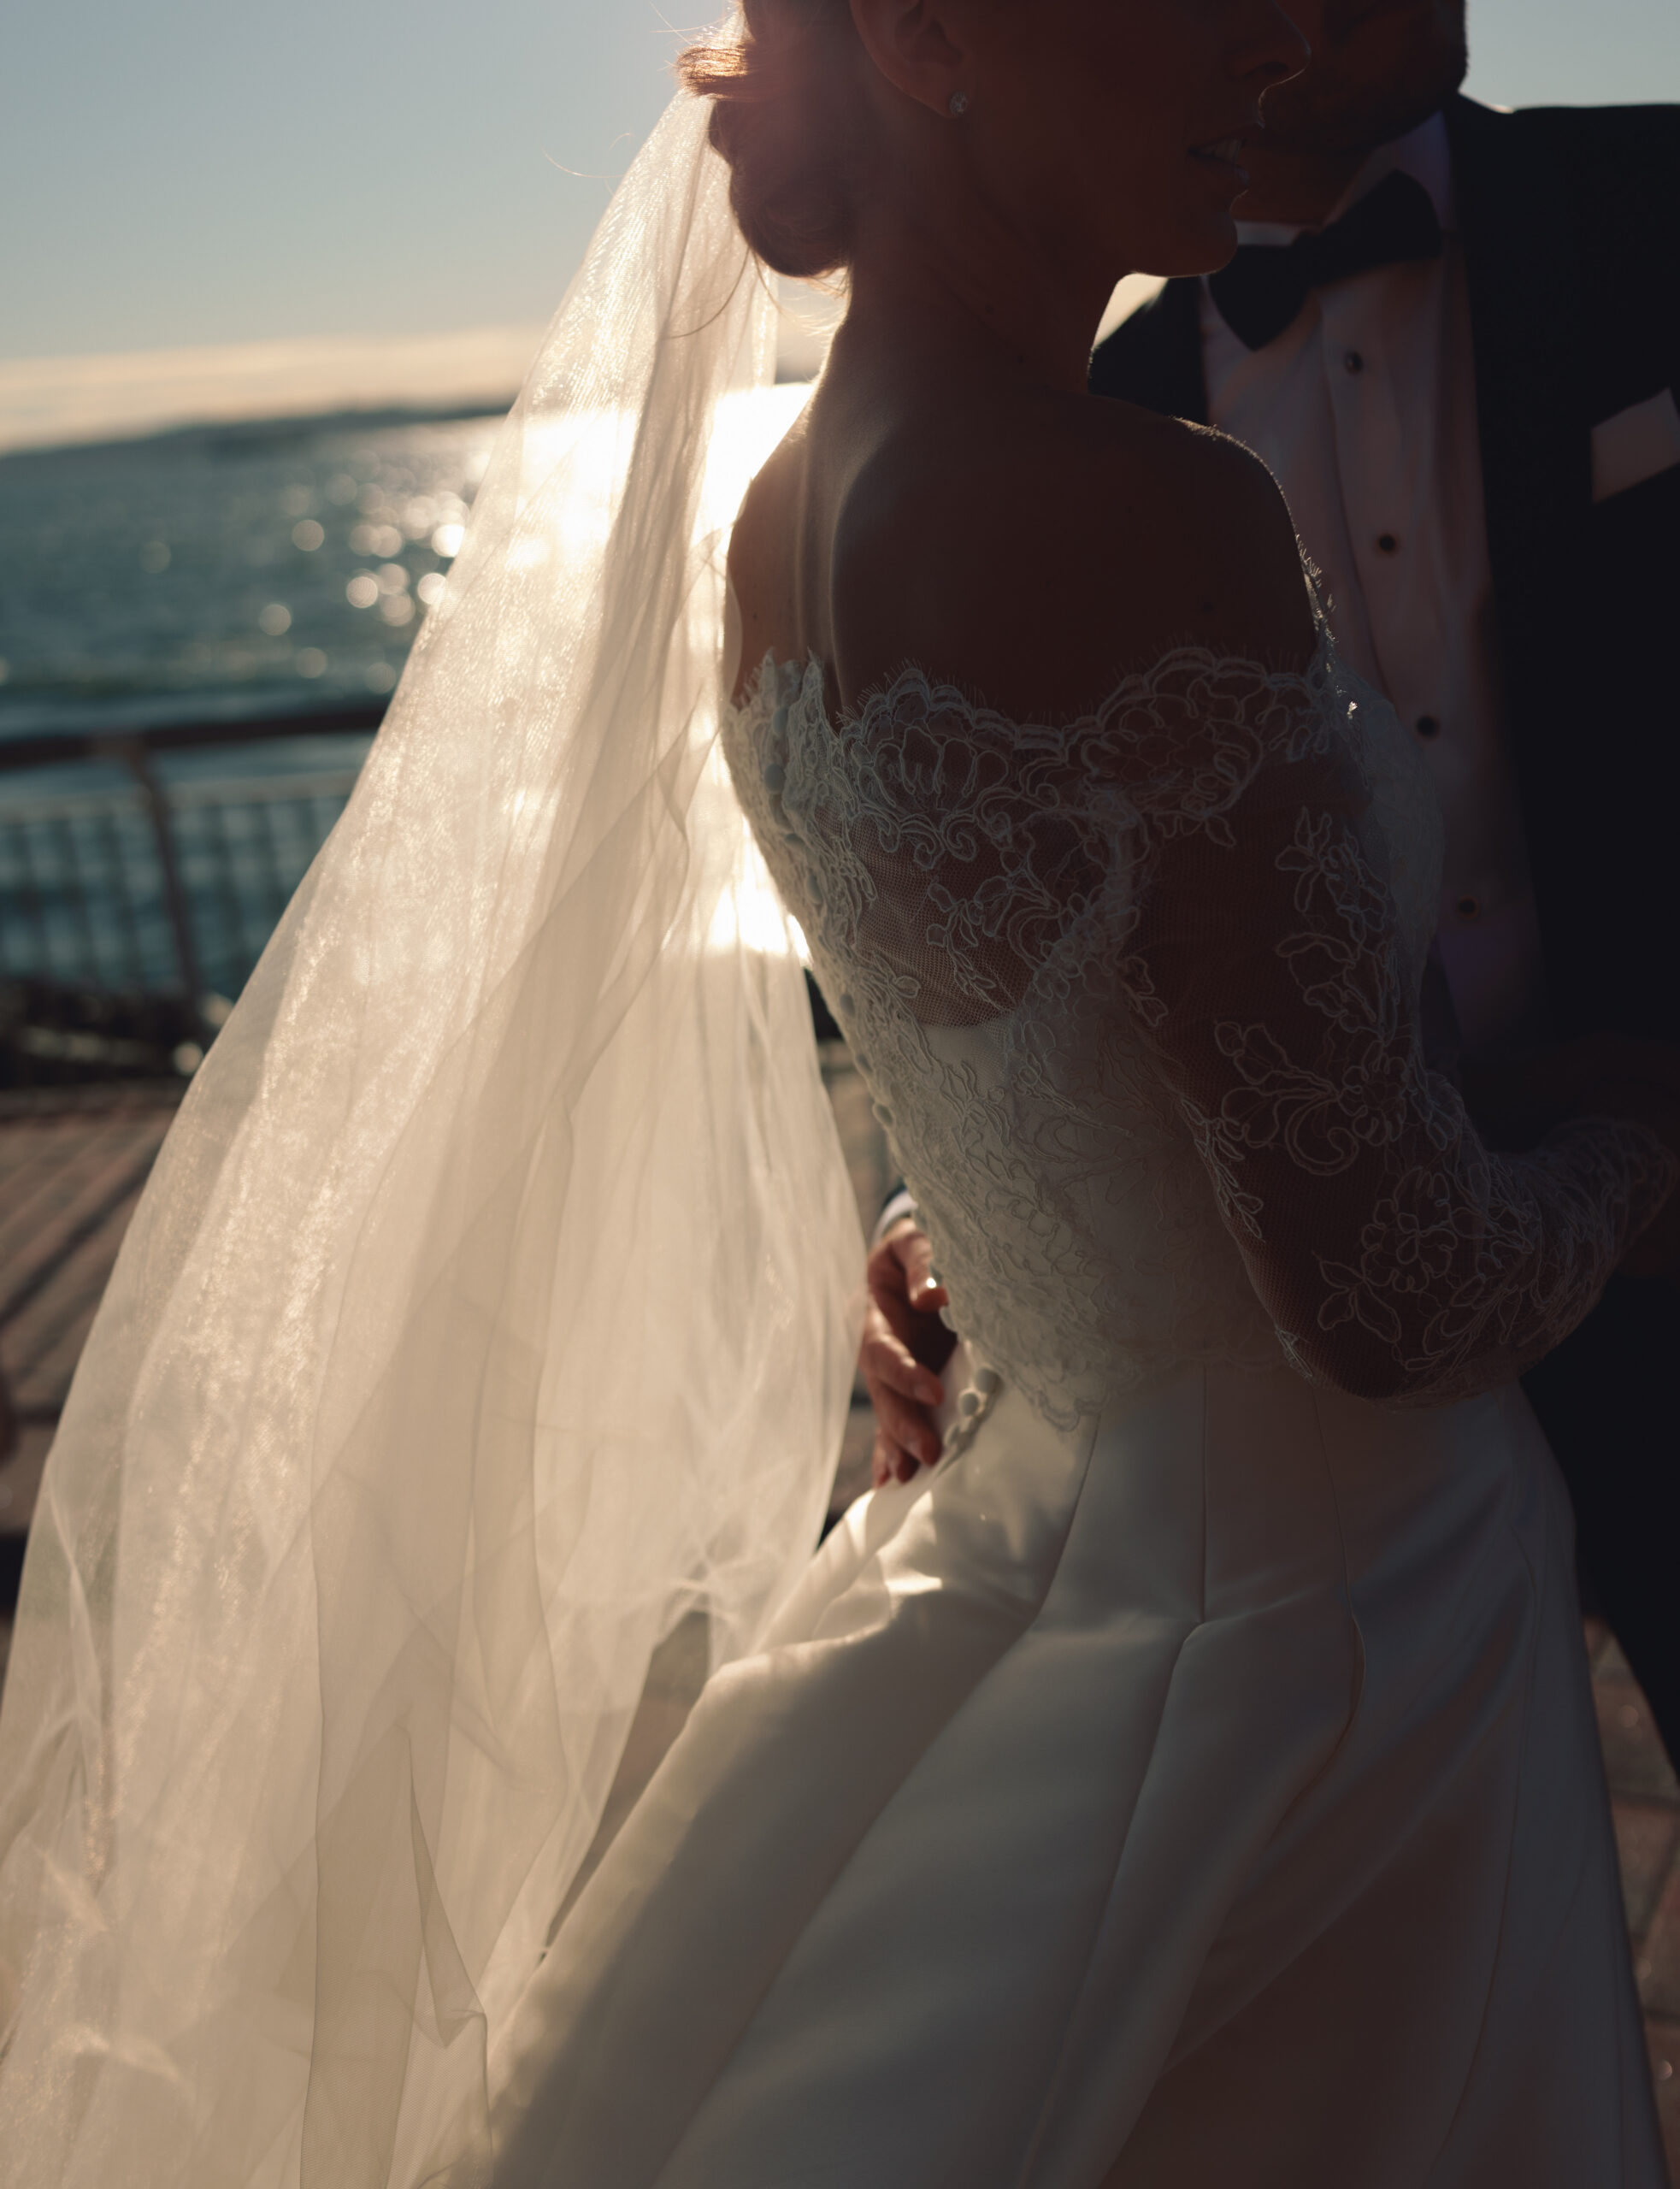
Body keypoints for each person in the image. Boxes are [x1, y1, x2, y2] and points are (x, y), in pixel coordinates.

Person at [1, 3, 1676, 2184]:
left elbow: (1023, 996)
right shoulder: (1143, 489)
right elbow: (1376, 1287)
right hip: (1339, 1606)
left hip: (1065, 1516)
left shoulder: (778, 516)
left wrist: (967, 1215)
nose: (1246, 56)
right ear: (932, 36)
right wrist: (1650, 1125)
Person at [861, 0, 1680, 1773]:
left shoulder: (1652, 198)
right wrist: (946, 1196)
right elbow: (1018, 870)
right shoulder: (1095, 415)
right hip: (1317, 1403)